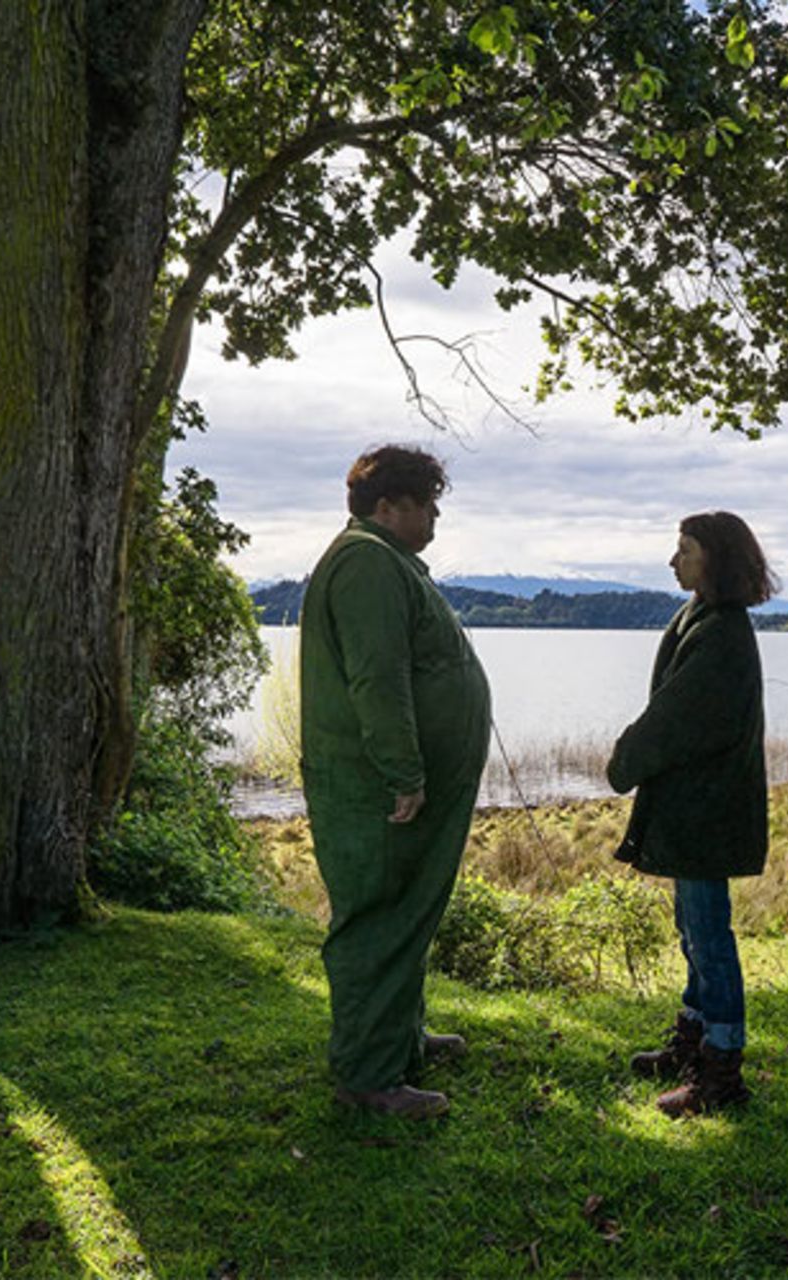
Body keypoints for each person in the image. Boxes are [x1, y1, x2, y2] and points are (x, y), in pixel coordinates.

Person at [299, 444, 492, 1119]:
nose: (435, 515)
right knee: (379, 917)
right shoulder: (365, 563)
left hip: (392, 784)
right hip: (375, 788)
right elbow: (376, 678)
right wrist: (404, 772)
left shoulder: (385, 561)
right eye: (426, 503)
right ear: (388, 506)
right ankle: (368, 1077)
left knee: (408, 911)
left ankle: (399, 1040)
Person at [607, 511, 775, 1117]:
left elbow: (676, 718)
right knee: (693, 931)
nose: (673, 560)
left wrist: (624, 760)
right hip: (695, 808)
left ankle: (721, 1072)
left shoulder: (723, 633)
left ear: (716, 559)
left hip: (707, 810)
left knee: (709, 937)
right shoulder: (701, 618)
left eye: (685, 549)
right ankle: (694, 1040)